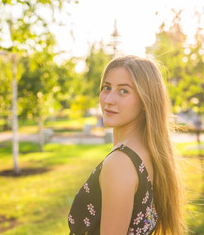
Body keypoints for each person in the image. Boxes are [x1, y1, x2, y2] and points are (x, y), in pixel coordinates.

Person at [68, 56, 187, 235]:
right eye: (106, 88)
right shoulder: (148, 152)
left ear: (146, 100)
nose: (108, 99)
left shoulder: (120, 163)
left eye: (123, 91)